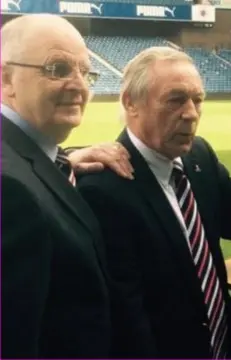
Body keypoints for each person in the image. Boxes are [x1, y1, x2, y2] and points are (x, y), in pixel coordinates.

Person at [76, 46, 231, 359]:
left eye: (198, 100)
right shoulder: (103, 188)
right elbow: (128, 315)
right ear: (131, 102)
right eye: (175, 100)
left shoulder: (199, 156)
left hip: (227, 345)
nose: (191, 113)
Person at [0, 14, 132, 358]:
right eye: (57, 69)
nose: (79, 85)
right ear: (6, 79)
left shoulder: (26, 159)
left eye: (85, 72)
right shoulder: (9, 189)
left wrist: (62, 161)